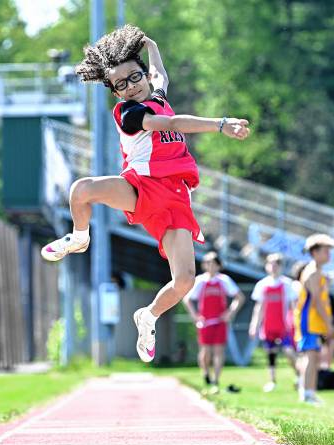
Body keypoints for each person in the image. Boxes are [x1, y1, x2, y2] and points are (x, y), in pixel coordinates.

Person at [40, 25, 250, 363]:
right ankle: (80, 237)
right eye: (121, 84)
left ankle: (148, 316)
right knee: (81, 190)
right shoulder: (130, 113)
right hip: (141, 187)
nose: (131, 86)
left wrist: (150, 43)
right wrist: (220, 124)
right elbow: (173, 125)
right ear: (114, 92)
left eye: (135, 77)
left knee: (184, 281)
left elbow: (160, 74)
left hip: (176, 196)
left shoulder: (156, 96)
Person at [183, 252, 245, 394]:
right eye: (208, 263)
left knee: (218, 351)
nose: (211, 266)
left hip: (219, 322)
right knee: (205, 352)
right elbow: (187, 300)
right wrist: (196, 316)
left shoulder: (224, 280)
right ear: (204, 265)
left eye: (214, 263)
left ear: (219, 265)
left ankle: (216, 379)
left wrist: (230, 313)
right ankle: (205, 373)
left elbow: (239, 297)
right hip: (205, 323)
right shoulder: (200, 281)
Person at [294, 234, 334, 404]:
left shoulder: (318, 271)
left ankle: (308, 392)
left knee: (313, 356)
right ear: (315, 252)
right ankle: (307, 393)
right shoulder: (312, 272)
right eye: (326, 251)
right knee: (311, 356)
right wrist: (329, 324)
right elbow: (317, 301)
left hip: (314, 320)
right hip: (309, 320)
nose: (328, 254)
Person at [249, 253, 298, 392]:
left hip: (284, 326)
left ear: (281, 267)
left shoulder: (287, 284)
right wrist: (254, 325)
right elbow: (259, 307)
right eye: (271, 264)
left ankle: (299, 375)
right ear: (267, 266)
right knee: (270, 354)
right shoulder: (262, 284)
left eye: (277, 264)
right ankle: (272, 381)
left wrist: (296, 322)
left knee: (289, 351)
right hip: (268, 326)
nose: (274, 267)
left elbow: (294, 305)